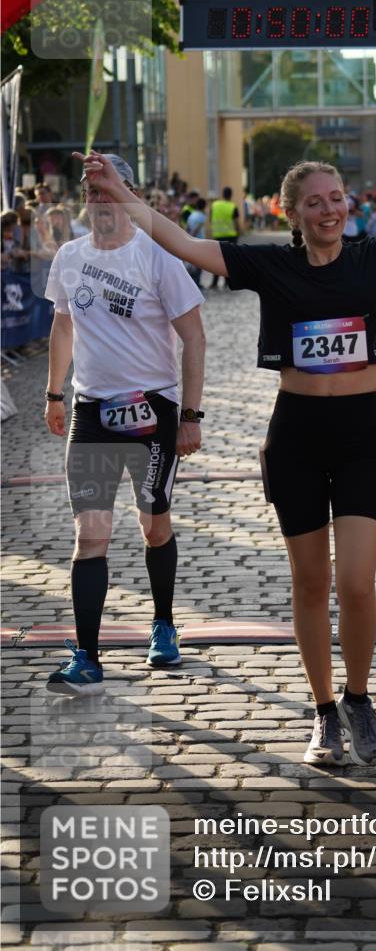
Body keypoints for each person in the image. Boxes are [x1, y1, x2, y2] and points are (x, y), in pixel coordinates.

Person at [75, 150, 376, 765]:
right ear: (292, 213)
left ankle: (358, 698)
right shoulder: (270, 265)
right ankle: (324, 712)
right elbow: (183, 243)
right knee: (310, 582)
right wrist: (121, 195)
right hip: (296, 435)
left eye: (337, 198)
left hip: (362, 439)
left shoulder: (374, 258)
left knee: (356, 582)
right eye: (316, 202)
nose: (330, 209)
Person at [44, 153, 206, 696]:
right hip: (91, 413)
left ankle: (162, 622)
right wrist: (53, 392)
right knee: (91, 534)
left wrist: (190, 415)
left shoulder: (157, 255)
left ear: (129, 195)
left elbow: (195, 336)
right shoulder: (69, 257)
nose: (101, 203)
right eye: (92, 195)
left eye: (110, 193)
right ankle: (86, 656)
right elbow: (62, 327)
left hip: (151, 412)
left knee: (153, 526)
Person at [209, 186, 240, 290]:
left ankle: (214, 282)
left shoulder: (215, 205)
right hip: (230, 236)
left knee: (215, 259)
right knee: (230, 260)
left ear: (223, 194)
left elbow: (210, 219)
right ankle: (228, 282)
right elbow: (236, 223)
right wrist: (238, 232)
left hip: (217, 235)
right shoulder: (232, 206)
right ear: (231, 195)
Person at [185, 197, 208, 289]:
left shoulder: (191, 215)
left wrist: (188, 238)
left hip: (192, 240)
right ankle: (197, 283)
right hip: (199, 241)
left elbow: (188, 228)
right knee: (200, 264)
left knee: (193, 263)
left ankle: (194, 283)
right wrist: (192, 237)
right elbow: (196, 229)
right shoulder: (202, 217)